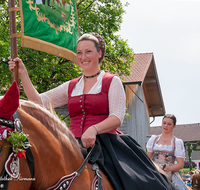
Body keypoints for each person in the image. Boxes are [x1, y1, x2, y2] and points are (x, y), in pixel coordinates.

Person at [8, 33, 176, 190]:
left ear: (99, 53)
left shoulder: (112, 81)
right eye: (79, 52)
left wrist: (94, 129)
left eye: (88, 51)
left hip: (106, 144)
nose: (83, 57)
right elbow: (39, 102)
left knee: (139, 181)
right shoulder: (71, 86)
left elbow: (117, 117)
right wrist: (23, 73)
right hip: (72, 144)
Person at [146, 114, 188, 190]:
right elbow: (148, 159)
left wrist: (169, 168)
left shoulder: (177, 142)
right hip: (154, 170)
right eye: (164, 123)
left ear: (174, 126)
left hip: (169, 172)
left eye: (169, 124)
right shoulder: (153, 139)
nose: (165, 126)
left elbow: (180, 165)